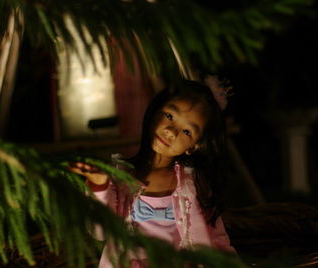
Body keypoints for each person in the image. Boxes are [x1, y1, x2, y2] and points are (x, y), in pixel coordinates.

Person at [69, 77, 236, 267]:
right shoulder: (123, 176)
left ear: (194, 146)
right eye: (170, 116)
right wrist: (99, 186)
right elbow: (99, 230)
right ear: (155, 110)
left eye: (187, 132)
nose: (171, 131)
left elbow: (216, 237)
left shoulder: (194, 185)